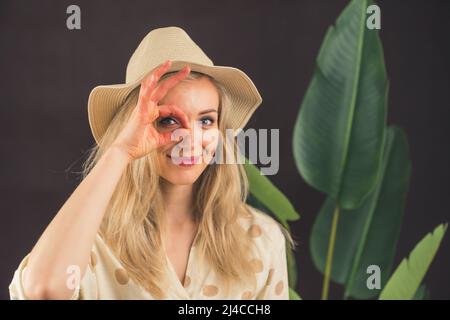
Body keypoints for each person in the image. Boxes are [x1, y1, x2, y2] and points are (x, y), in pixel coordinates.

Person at [9, 26, 294, 300]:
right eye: (167, 120)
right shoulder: (91, 240)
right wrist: (120, 150)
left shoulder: (261, 239)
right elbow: (43, 291)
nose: (190, 140)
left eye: (206, 120)